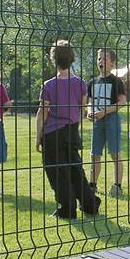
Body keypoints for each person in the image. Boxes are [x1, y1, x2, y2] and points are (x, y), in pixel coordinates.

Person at [35, 40, 100, 220]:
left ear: (53, 59)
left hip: (52, 133)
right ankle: (89, 204)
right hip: (72, 131)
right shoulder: (80, 83)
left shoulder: (49, 85)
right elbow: (82, 106)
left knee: (58, 173)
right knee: (75, 169)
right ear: (72, 59)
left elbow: (43, 112)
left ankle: (67, 208)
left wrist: (38, 137)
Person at [87, 48, 126, 198]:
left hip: (112, 120)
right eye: (99, 58)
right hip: (97, 122)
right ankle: (92, 185)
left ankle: (117, 186)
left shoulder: (116, 81)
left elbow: (122, 102)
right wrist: (90, 111)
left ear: (112, 62)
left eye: (105, 58)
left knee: (114, 153)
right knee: (94, 154)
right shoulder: (92, 82)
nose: (101, 61)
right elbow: (90, 102)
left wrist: (105, 111)